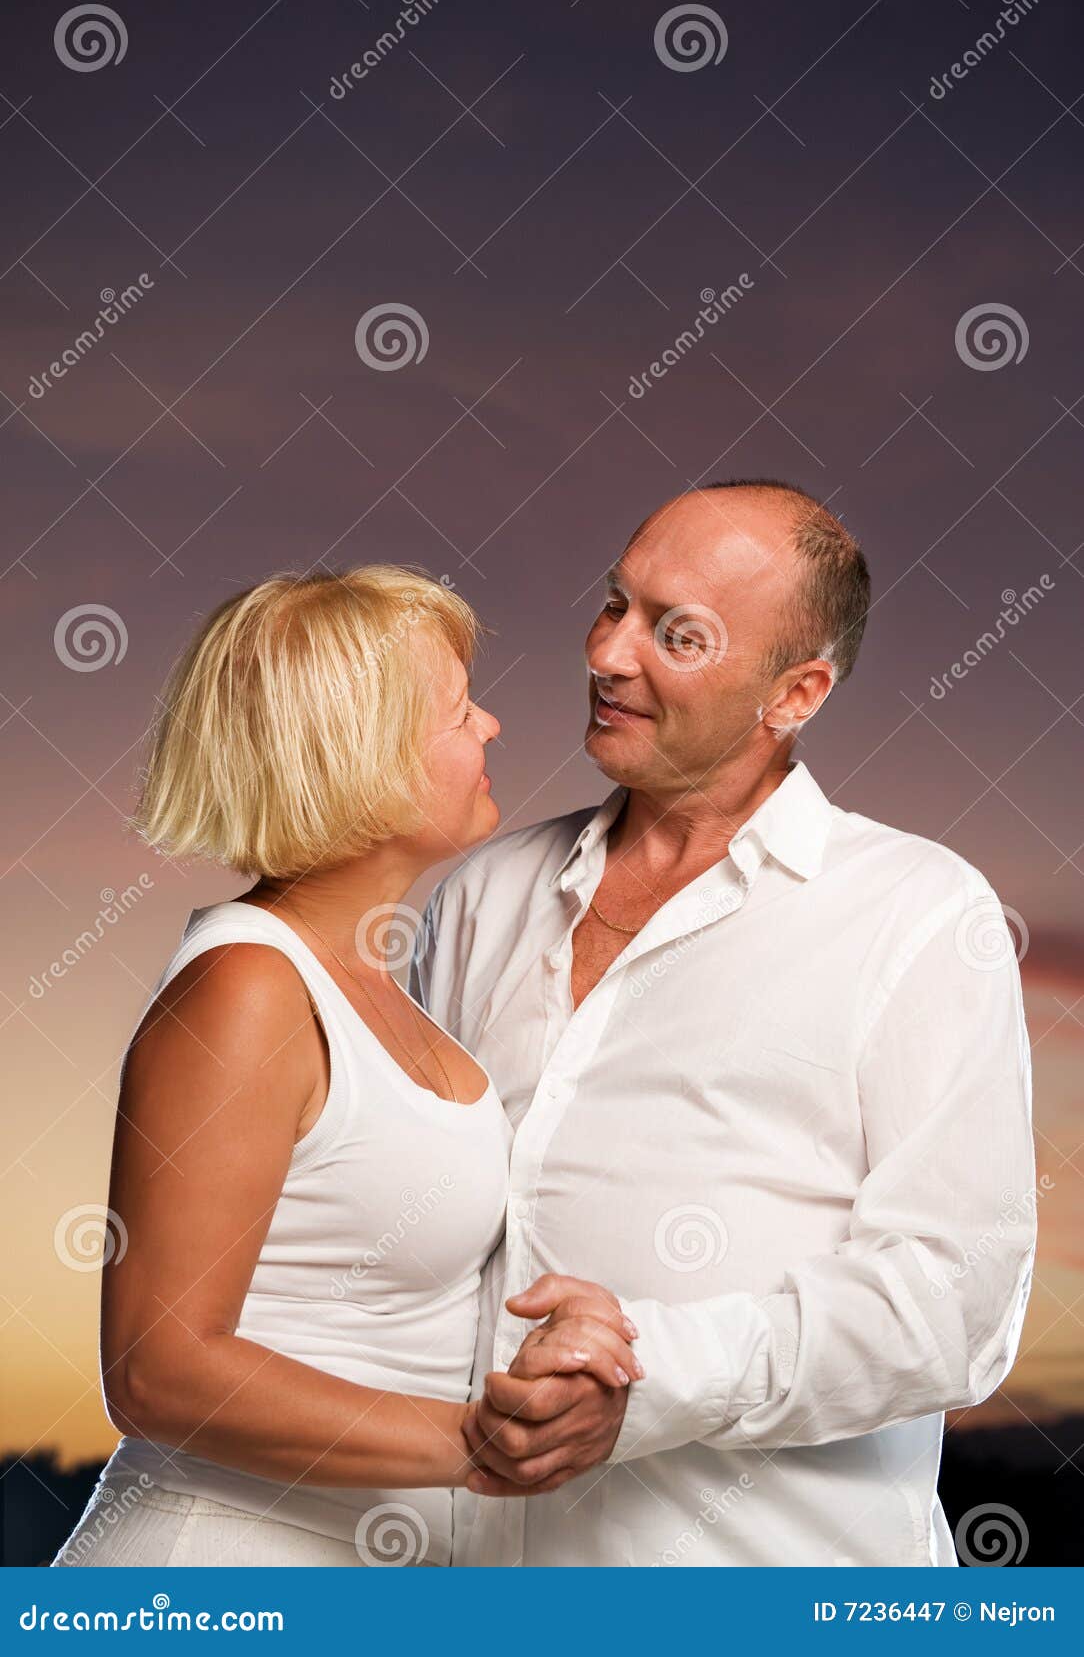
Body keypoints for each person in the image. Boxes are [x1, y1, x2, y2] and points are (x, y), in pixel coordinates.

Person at [411, 479, 1038, 1567]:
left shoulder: (919, 912)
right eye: (616, 603)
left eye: (677, 633)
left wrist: (647, 1373)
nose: (608, 653)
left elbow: (957, 1298)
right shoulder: (478, 896)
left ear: (795, 693)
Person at [52, 564, 640, 1569]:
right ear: (362, 757)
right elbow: (158, 1371)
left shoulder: (378, 990)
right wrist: (480, 1447)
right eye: (458, 710)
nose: (491, 725)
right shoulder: (245, 988)